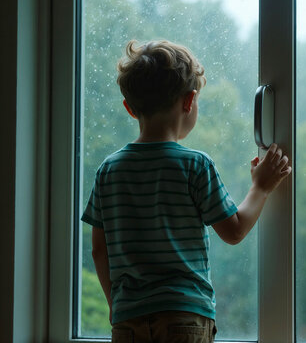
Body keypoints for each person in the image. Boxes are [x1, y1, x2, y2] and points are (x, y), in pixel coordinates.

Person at [81, 39, 291, 343]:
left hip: (128, 321)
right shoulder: (195, 165)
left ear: (129, 108)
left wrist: (117, 306)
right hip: (183, 316)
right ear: (189, 101)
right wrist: (261, 186)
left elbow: (99, 250)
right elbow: (233, 231)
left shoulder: (108, 170)